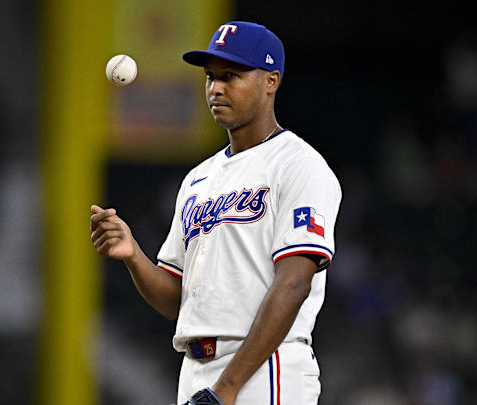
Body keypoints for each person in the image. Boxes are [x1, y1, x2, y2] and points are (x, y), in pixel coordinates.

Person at [91, 21, 341, 405]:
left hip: (264, 371)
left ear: (271, 81)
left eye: (232, 76)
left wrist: (228, 387)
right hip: (195, 370)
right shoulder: (198, 179)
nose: (216, 88)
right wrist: (133, 255)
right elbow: (178, 301)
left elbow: (294, 284)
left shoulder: (298, 164)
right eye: (210, 77)